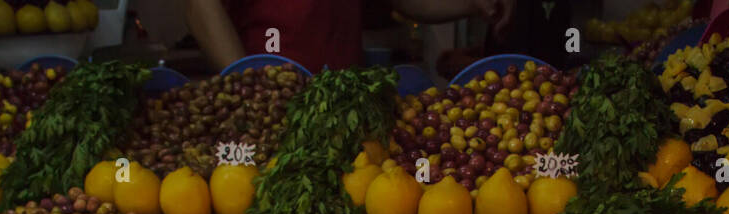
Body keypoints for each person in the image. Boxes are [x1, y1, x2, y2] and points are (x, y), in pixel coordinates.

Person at [181, 0, 515, 72]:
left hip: (342, 111)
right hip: (272, 112)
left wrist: (475, 3)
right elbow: (201, 5)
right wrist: (247, 80)